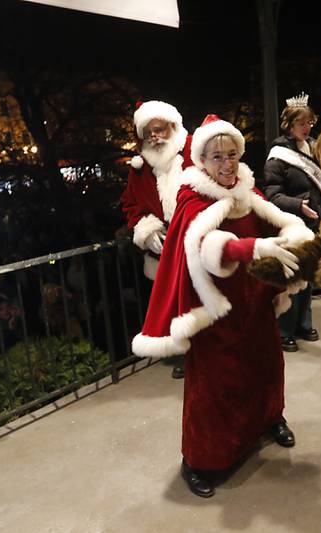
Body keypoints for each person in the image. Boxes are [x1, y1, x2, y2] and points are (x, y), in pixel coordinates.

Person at [131, 114, 314, 498]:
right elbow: (205, 246)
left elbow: (279, 221)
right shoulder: (192, 199)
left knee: (265, 369)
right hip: (216, 315)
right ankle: (200, 460)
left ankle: (268, 420)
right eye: (217, 157)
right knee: (213, 390)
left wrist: (298, 237)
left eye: (232, 154)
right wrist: (252, 249)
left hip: (257, 305)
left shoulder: (249, 193)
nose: (227, 164)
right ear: (202, 160)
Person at [120, 99, 192, 379]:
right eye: (148, 132)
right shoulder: (139, 167)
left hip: (196, 241)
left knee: (201, 299)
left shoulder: (193, 152)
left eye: (159, 129)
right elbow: (130, 205)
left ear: (173, 126)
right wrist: (145, 229)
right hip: (163, 248)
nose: (154, 137)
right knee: (173, 302)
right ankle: (184, 354)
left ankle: (207, 350)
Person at [261, 92, 321, 352]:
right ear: (289, 124)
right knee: (290, 278)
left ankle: (303, 323)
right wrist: (296, 204)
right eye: (302, 123)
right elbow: (271, 194)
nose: (307, 127)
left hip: (313, 224)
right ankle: (284, 330)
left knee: (308, 275)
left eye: (310, 122)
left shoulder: (313, 148)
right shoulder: (278, 153)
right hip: (290, 224)